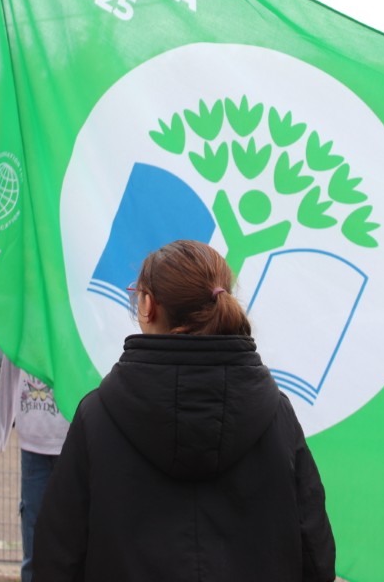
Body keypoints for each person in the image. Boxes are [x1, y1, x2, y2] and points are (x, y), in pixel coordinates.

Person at [33, 239, 337, 582]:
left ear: (147, 305)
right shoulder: (275, 413)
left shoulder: (98, 415)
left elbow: (58, 553)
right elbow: (315, 548)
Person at [0, 361, 69, 582]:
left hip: (73, 445)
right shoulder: (25, 328)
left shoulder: (78, 327)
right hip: (33, 447)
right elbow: (8, 382)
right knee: (34, 544)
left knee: (71, 543)